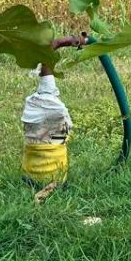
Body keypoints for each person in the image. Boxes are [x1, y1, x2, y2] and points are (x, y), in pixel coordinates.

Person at [21, 36, 85, 185]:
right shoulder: (50, 105)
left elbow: (52, 47)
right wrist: (73, 41)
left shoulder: (40, 104)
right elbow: (53, 46)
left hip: (31, 178)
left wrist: (67, 41)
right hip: (55, 178)